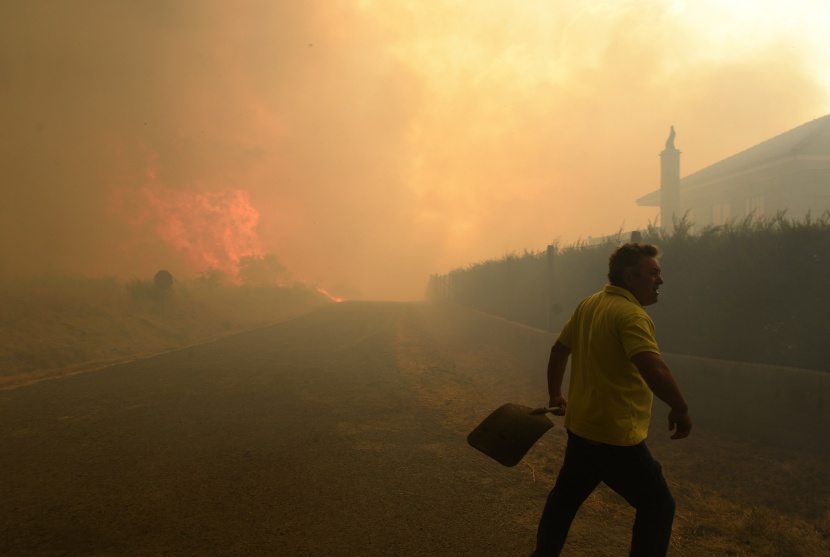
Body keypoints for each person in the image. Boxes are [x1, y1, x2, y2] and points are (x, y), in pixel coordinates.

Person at [532, 242, 692, 557]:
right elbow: (655, 371)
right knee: (658, 505)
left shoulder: (589, 304)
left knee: (563, 500)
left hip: (581, 430)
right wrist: (681, 408)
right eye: (653, 273)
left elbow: (559, 350)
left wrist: (555, 394)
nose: (660, 281)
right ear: (630, 278)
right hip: (615, 438)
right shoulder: (632, 316)